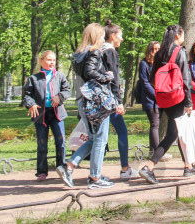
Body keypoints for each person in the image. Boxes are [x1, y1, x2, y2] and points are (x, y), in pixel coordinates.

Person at [56, 23, 116, 189]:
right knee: (100, 140)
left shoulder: (79, 55)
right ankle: (95, 178)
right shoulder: (94, 51)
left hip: (84, 100)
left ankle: (68, 166)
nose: (104, 38)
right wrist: (106, 76)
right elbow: (90, 72)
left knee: (93, 139)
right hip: (97, 102)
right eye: (102, 35)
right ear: (96, 36)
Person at [139, 24, 195, 184]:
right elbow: (186, 79)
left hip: (163, 99)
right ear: (178, 35)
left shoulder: (159, 54)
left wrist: (164, 89)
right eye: (183, 34)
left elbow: (152, 79)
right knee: (173, 134)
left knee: (179, 132)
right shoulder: (179, 51)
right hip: (178, 97)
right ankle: (149, 167)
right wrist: (188, 101)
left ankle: (188, 166)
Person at [23, 50, 70, 181]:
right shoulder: (34, 78)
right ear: (41, 61)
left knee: (61, 142)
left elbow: (67, 90)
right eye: (49, 60)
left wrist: (59, 97)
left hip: (57, 113)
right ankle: (42, 171)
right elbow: (27, 95)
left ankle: (62, 168)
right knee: (42, 143)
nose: (51, 63)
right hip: (41, 114)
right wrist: (31, 104)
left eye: (53, 60)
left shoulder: (60, 76)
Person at [102, 20, 138, 179]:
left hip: (99, 99)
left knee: (97, 137)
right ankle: (125, 169)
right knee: (121, 131)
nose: (122, 39)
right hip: (109, 100)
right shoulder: (110, 52)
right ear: (112, 36)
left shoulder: (98, 51)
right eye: (120, 36)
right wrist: (118, 101)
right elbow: (113, 79)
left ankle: (71, 165)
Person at [138, 41, 161, 158]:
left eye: (158, 49)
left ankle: (152, 151)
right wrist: (156, 96)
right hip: (150, 99)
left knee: (156, 123)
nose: (156, 51)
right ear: (150, 50)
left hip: (160, 98)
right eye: (154, 49)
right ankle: (157, 152)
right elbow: (145, 83)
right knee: (155, 123)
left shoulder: (160, 64)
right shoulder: (144, 64)